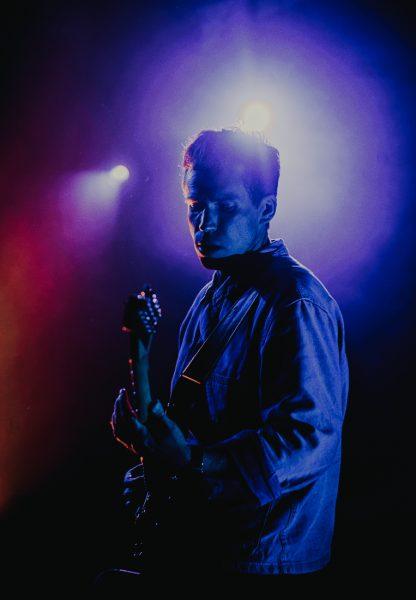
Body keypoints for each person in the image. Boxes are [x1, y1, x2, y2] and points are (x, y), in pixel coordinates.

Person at [110, 127, 349, 577]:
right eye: (196, 207)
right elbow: (189, 427)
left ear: (267, 209)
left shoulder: (296, 302)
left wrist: (195, 461)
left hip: (264, 563)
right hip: (208, 550)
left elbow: (309, 439)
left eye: (227, 206)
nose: (207, 224)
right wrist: (151, 455)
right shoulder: (209, 298)